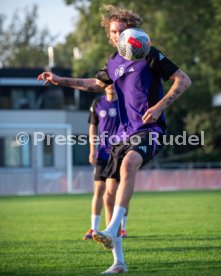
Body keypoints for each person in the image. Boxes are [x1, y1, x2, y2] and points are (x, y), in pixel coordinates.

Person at [37, 4, 191, 273]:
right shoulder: (113, 62)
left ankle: (110, 228)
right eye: (114, 31)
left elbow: (183, 80)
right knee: (108, 194)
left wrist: (160, 107)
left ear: (133, 32)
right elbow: (95, 84)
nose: (118, 35)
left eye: (123, 30)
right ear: (109, 35)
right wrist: (60, 79)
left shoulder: (149, 54)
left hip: (149, 129)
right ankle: (118, 262)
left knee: (129, 163)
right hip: (123, 133)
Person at [83, 84, 129, 240]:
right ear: (103, 86)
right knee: (99, 189)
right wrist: (92, 149)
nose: (111, 86)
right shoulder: (97, 103)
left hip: (119, 154)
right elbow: (93, 128)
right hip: (102, 153)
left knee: (115, 192)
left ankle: (121, 228)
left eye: (114, 83)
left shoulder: (124, 102)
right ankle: (93, 229)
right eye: (107, 83)